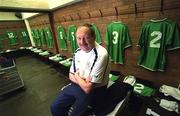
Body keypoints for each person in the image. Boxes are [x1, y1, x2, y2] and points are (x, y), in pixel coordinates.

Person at [50, 23, 110, 116]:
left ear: (94, 37)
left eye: (86, 38)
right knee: (55, 107)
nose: (82, 42)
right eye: (79, 38)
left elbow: (88, 88)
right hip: (77, 86)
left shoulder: (101, 54)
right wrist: (82, 80)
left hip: (95, 91)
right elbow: (70, 75)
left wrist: (77, 75)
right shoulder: (78, 51)